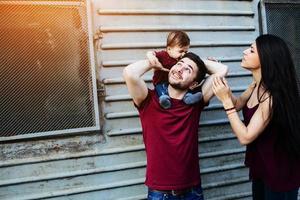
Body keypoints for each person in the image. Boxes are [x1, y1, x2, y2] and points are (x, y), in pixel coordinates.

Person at [123, 52, 228, 199]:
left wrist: (198, 61)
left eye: (188, 69)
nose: (179, 69)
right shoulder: (148, 99)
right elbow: (129, 73)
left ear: (194, 84)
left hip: (192, 191)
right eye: (178, 64)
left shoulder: (196, 102)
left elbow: (222, 70)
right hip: (160, 193)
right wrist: (155, 61)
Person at [212, 34, 300, 200]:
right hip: (262, 167)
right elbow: (237, 104)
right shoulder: (255, 86)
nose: (245, 52)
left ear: (266, 59)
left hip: (279, 174)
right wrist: (220, 79)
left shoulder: (271, 97)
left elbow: (245, 137)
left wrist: (225, 101)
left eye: (251, 50)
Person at [147, 31, 203, 109]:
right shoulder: (163, 55)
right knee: (161, 89)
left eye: (185, 51)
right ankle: (164, 99)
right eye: (181, 51)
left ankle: (189, 97)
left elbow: (195, 62)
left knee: (188, 84)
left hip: (175, 83)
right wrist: (150, 56)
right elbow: (152, 53)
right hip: (161, 81)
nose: (183, 54)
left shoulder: (181, 58)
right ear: (169, 49)